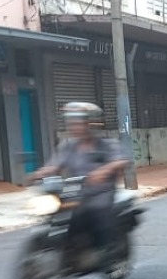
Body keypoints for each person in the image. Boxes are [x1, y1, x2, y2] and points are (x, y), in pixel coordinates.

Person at [30, 102, 129, 263]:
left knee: (98, 210)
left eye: (79, 123)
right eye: (71, 123)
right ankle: (69, 248)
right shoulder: (68, 146)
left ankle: (107, 252)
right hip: (75, 191)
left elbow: (121, 161)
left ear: (90, 124)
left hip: (101, 192)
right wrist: (39, 173)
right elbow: (55, 165)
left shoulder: (107, 144)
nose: (74, 127)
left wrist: (104, 170)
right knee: (57, 213)